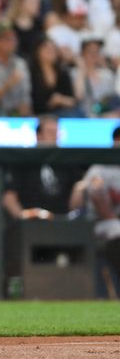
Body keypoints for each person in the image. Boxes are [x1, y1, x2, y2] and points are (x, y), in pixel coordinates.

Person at [70, 126, 120, 294]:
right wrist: (112, 217)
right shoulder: (100, 167)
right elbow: (97, 197)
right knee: (116, 228)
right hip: (100, 222)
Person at [3, 115, 83, 219]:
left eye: (57, 133)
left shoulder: (68, 161)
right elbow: (9, 197)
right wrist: (22, 217)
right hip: (31, 220)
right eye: (50, 132)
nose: (55, 137)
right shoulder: (23, 161)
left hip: (62, 220)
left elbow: (78, 189)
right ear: (38, 135)